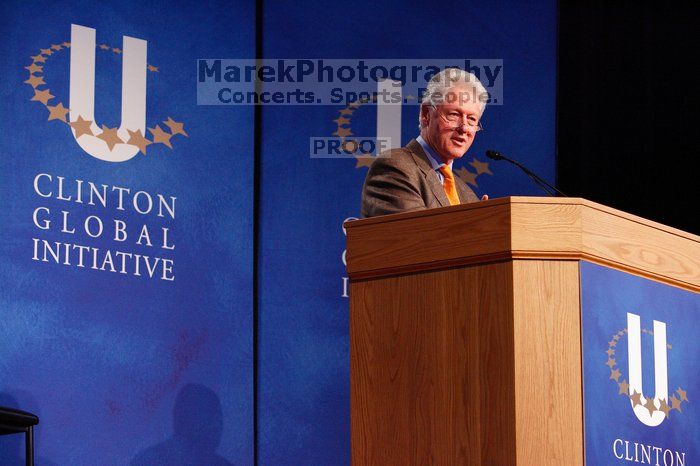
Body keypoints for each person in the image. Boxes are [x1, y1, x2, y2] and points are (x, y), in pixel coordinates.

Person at [361, 68, 488, 217]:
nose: (464, 128)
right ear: (426, 114)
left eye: (472, 119)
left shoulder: (467, 195)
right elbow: (416, 234)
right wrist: (475, 228)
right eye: (454, 115)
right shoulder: (395, 167)